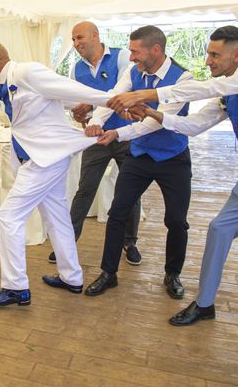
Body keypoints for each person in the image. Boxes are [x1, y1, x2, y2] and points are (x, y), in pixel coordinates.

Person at [109, 26, 238, 325]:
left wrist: (151, 93)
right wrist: (154, 113)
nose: (208, 60)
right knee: (218, 229)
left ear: (237, 54)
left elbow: (209, 88)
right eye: (208, 53)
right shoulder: (228, 94)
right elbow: (194, 126)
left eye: (215, 55)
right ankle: (204, 304)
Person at [0, 42, 114, 307]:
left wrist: (110, 101)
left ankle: (16, 288)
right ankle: (71, 276)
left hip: (45, 160)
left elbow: (69, 89)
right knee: (57, 216)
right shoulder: (9, 82)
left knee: (8, 216)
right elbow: (60, 100)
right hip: (40, 157)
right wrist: (79, 106)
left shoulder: (27, 72)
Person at [83, 25, 193, 299]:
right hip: (140, 156)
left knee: (176, 221)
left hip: (173, 158)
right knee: (117, 212)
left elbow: (155, 124)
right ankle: (108, 273)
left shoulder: (184, 79)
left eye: (135, 51)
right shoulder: (133, 72)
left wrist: (117, 133)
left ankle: (173, 273)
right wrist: (96, 122)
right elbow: (114, 98)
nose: (131, 57)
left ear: (155, 50)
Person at [48, 21, 142, 267]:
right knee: (85, 190)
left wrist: (90, 106)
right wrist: (78, 114)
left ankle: (130, 242)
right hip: (94, 138)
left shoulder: (122, 57)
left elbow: (120, 94)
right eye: (73, 39)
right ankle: (67, 241)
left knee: (129, 190)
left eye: (80, 37)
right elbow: (75, 104)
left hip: (125, 134)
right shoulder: (75, 70)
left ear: (95, 36)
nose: (76, 43)